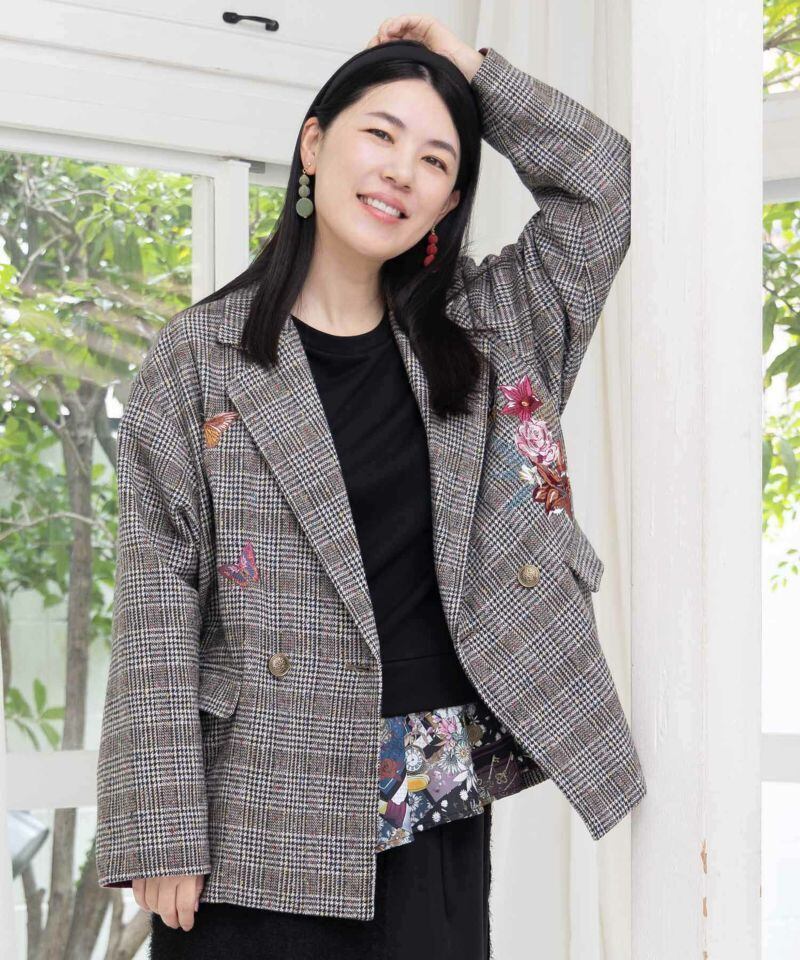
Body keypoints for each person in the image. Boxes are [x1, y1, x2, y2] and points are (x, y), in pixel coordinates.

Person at [95, 13, 644, 960]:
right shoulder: (199, 359)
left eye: (434, 160)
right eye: (380, 135)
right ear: (314, 145)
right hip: (258, 813)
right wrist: (159, 830)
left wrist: (472, 69)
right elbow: (156, 597)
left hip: (431, 803)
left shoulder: (493, 329)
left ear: (449, 201)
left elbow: (604, 186)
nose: (400, 172)